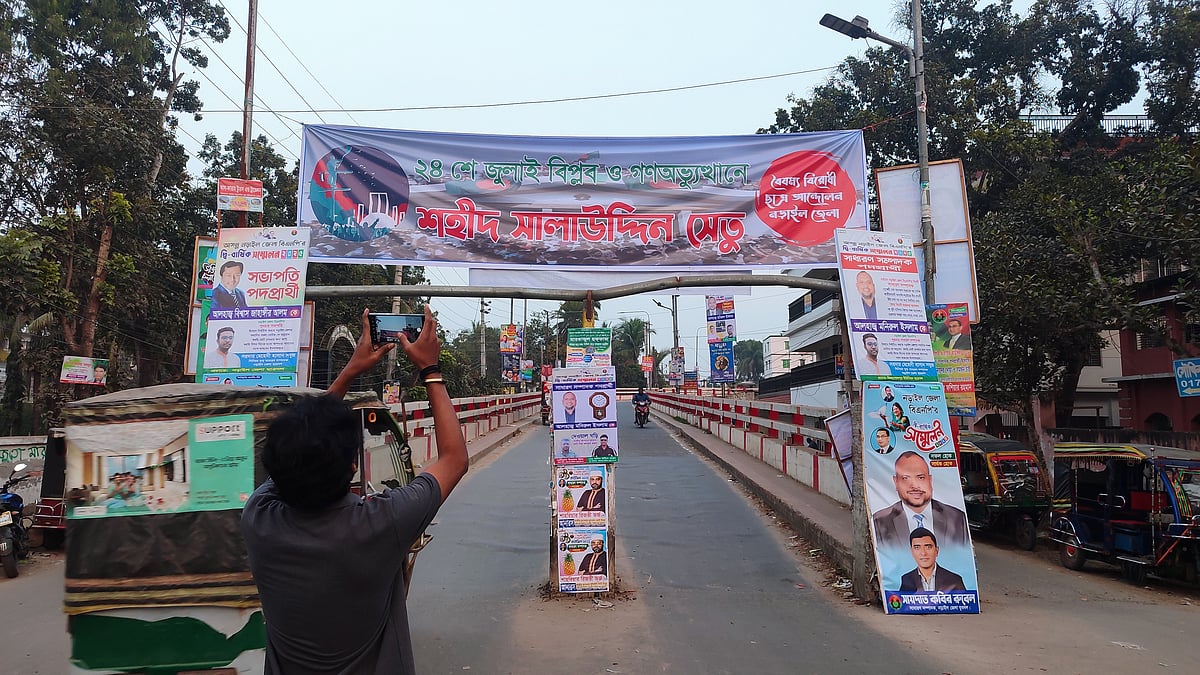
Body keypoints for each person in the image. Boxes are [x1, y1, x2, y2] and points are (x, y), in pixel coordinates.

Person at [241, 306, 468, 674]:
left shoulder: (259, 519)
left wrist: (351, 370)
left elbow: (296, 449)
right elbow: (455, 459)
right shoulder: (381, 523)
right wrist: (430, 369)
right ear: (352, 467)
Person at [871, 451, 970, 552]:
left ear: (930, 480)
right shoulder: (880, 521)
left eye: (921, 477)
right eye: (906, 478)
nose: (915, 486)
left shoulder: (956, 518)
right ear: (896, 482)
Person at [898, 527, 967, 592]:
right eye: (917, 548)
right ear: (912, 552)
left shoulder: (954, 580)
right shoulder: (906, 580)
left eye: (928, 547)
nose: (923, 553)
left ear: (936, 551)